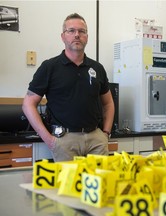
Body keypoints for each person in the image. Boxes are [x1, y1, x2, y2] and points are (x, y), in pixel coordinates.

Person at [22, 13, 115, 162]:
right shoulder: (49, 67)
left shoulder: (97, 68)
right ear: (63, 36)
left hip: (96, 140)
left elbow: (108, 103)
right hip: (64, 141)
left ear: (87, 37)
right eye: (71, 31)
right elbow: (28, 104)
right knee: (69, 185)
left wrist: (106, 133)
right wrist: (49, 140)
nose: (77, 35)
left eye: (82, 31)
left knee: (101, 184)